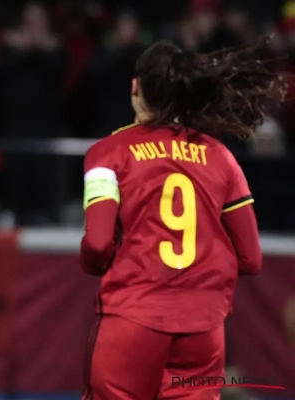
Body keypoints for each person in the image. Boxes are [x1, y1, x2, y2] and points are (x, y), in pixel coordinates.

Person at [79, 38, 285, 400]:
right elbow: (252, 258)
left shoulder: (106, 153)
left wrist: (99, 264)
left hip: (132, 317)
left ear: (136, 87)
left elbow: (97, 244)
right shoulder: (221, 157)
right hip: (203, 329)